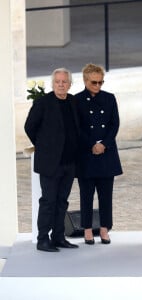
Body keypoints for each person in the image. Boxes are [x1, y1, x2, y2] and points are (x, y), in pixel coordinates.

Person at [24, 68, 80, 252]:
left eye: (64, 82)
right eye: (58, 82)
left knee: (62, 201)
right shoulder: (43, 103)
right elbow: (29, 126)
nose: (61, 85)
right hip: (50, 163)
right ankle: (42, 240)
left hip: (69, 162)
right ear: (52, 84)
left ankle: (58, 237)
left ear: (70, 84)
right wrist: (44, 146)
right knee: (48, 201)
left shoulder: (73, 101)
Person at [76, 63, 122, 245]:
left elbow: (114, 124)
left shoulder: (109, 98)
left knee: (106, 194)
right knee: (86, 194)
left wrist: (104, 144)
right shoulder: (77, 100)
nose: (97, 86)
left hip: (106, 153)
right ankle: (87, 229)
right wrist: (91, 145)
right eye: (94, 82)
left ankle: (104, 229)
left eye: (100, 82)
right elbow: (77, 127)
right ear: (85, 81)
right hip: (86, 155)